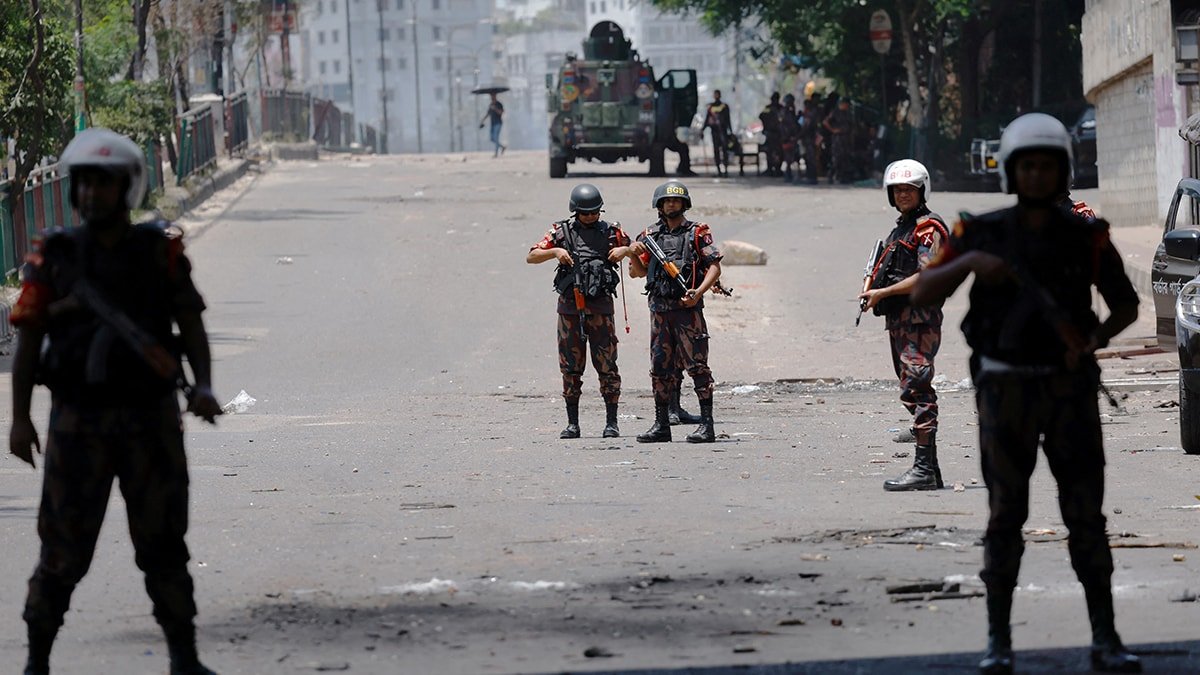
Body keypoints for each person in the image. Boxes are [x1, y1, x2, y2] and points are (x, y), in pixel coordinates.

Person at [911, 113, 1142, 675]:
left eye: (1047, 166)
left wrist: (1092, 339)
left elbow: (1127, 303)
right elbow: (924, 287)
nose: (1037, 176)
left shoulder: (1087, 236)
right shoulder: (979, 232)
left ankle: (1106, 637)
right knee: (1004, 517)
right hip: (1004, 388)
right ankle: (998, 641)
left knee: (1085, 516)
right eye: (1028, 166)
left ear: (1062, 171)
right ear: (1011, 172)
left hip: (1068, 388)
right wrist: (969, 262)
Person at [9, 128, 222, 675]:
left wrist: (203, 385)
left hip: (150, 420)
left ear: (125, 188)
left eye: (103, 185)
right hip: (77, 423)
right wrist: (19, 419)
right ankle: (36, 662)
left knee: (164, 546)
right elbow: (29, 337)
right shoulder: (54, 257)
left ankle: (184, 658)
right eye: (83, 184)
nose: (91, 195)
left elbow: (191, 322)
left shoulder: (159, 251)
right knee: (61, 553)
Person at [858, 159, 949, 491]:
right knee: (910, 389)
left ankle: (924, 468)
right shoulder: (901, 230)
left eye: (909, 189)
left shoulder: (929, 228)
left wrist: (883, 292)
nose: (902, 195)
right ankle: (931, 470)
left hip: (919, 320)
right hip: (900, 321)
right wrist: (875, 294)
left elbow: (928, 275)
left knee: (918, 387)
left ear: (922, 190)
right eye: (897, 190)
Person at [527, 184, 633, 439]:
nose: (590, 217)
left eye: (594, 212)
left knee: (607, 366)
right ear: (576, 212)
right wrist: (555, 252)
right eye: (585, 213)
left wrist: (626, 250)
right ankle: (573, 423)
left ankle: (612, 422)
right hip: (570, 310)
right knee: (570, 367)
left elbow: (640, 251)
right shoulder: (561, 232)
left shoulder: (611, 232)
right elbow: (532, 256)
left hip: (601, 309)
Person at [628, 181, 723, 443]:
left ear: (684, 204)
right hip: (659, 311)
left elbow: (714, 267)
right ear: (659, 205)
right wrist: (633, 254)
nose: (671, 204)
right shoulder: (648, 236)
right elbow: (636, 272)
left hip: (687, 311)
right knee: (660, 368)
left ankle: (707, 426)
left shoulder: (696, 233)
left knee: (698, 367)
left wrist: (699, 292)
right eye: (667, 201)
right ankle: (661, 424)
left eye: (676, 201)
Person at [704, 90, 734, 177]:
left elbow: (728, 120)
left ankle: (726, 170)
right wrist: (703, 130)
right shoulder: (711, 107)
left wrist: (730, 131)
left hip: (723, 131)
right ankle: (719, 170)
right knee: (716, 151)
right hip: (714, 132)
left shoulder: (724, 106)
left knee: (724, 150)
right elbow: (707, 120)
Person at [822, 98, 853, 184]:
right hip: (837, 139)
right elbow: (825, 122)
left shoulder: (848, 113)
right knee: (836, 158)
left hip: (845, 138)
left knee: (845, 158)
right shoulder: (835, 112)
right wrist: (833, 130)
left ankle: (842, 177)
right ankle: (831, 175)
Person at [759, 92, 783, 177]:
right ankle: (770, 169)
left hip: (778, 134)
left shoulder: (780, 108)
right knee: (769, 151)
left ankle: (777, 169)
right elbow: (761, 116)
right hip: (770, 133)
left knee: (779, 152)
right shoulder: (769, 108)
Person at [799, 98, 822, 184]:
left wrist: (797, 137)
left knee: (811, 159)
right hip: (809, 140)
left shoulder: (810, 115)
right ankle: (810, 176)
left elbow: (805, 128)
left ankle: (812, 177)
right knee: (809, 158)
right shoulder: (809, 114)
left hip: (810, 140)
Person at [480, 93, 506, 157]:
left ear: (495, 96)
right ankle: (502, 147)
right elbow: (488, 114)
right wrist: (483, 120)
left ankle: (496, 153)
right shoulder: (490, 105)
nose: (492, 97)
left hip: (498, 123)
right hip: (493, 124)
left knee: (496, 137)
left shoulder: (499, 104)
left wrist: (495, 109)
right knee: (492, 138)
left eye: (493, 96)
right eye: (491, 96)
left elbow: (501, 112)